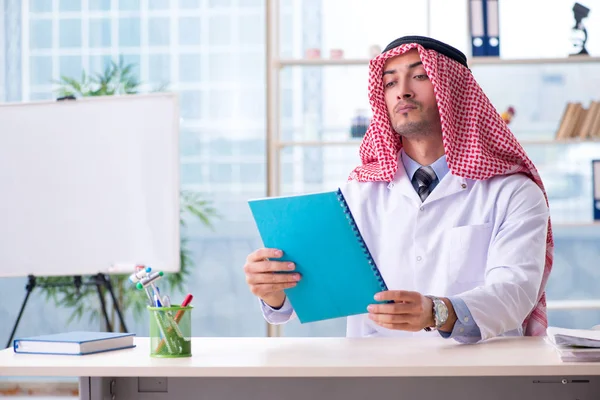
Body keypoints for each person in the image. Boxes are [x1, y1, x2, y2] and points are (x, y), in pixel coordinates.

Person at [243, 35, 553, 343]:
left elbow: (515, 291)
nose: (402, 91)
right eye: (390, 83)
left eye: (419, 76)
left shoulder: (514, 194)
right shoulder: (355, 195)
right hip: (377, 381)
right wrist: (274, 290)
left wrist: (437, 311)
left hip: (479, 380)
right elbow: (314, 294)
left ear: (456, 93)